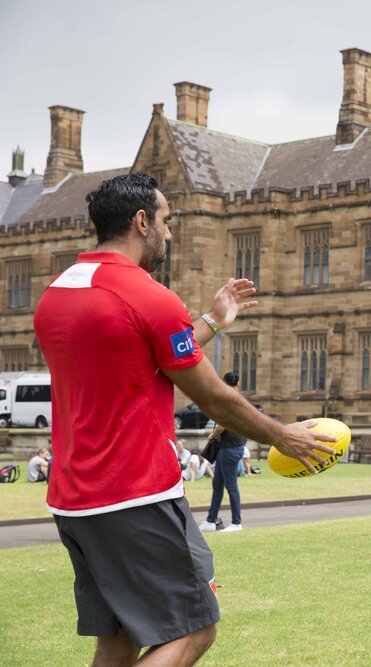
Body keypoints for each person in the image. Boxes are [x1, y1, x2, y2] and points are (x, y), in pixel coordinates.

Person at [33, 172, 337, 667]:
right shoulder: (148, 294)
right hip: (135, 495)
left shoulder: (58, 292)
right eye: (166, 221)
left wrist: (212, 321)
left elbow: (146, 355)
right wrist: (283, 435)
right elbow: (213, 397)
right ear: (141, 221)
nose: (170, 234)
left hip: (73, 499)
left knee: (119, 639)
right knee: (194, 629)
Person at [200, 372, 248, 532]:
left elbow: (222, 425)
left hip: (230, 447)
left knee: (230, 485)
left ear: (224, 382)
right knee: (217, 484)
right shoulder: (240, 399)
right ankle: (210, 521)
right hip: (230, 446)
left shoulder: (229, 399)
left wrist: (212, 436)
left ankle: (236, 523)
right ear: (238, 382)